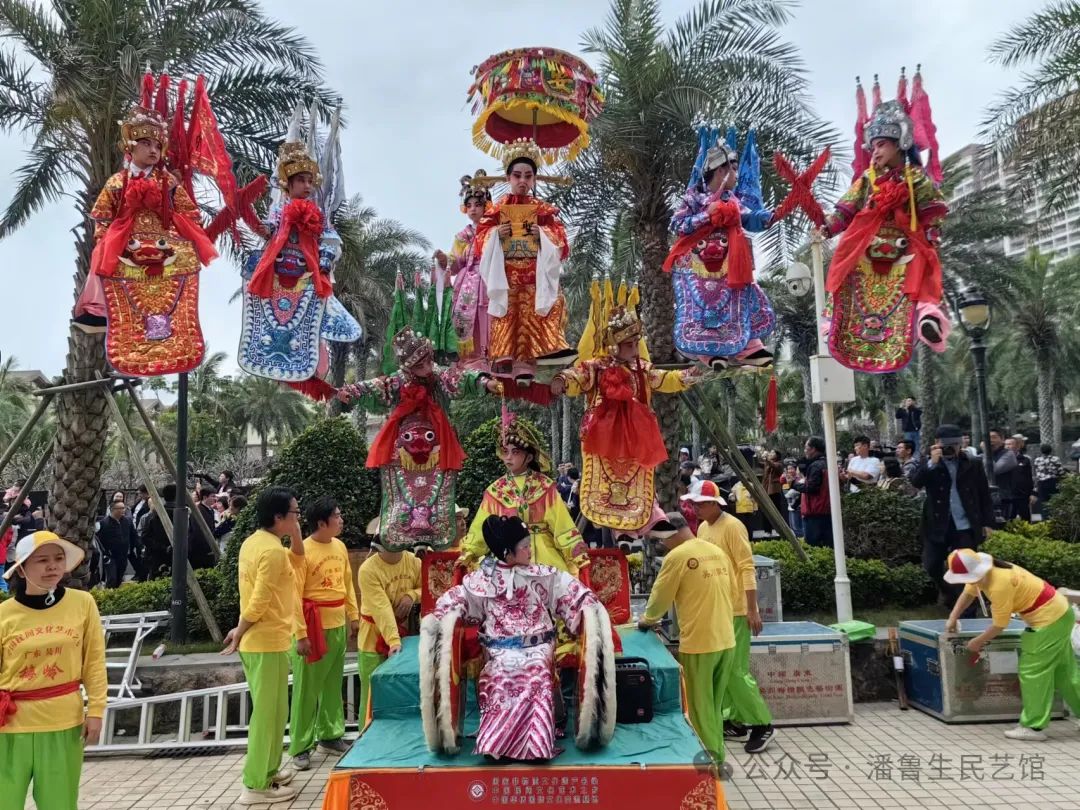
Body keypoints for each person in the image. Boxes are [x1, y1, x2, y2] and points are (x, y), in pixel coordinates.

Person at [424, 516, 612, 760]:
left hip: (538, 644)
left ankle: (536, 745)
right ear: (507, 553)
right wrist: (444, 614)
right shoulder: (484, 579)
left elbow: (571, 593)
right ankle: (497, 743)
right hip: (499, 649)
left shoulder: (543, 575)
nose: (529, 549)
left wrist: (587, 607)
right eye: (524, 546)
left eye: (528, 543)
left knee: (534, 670)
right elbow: (459, 599)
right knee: (501, 672)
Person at [74, 90, 218, 374]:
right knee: (103, 257)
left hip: (164, 247)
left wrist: (179, 233)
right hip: (127, 245)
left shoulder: (168, 182)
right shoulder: (118, 182)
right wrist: (107, 240)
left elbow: (190, 214)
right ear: (131, 146)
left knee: (184, 263)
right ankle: (108, 321)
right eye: (145, 143)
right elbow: (102, 217)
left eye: (157, 145)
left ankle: (176, 336)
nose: (153, 150)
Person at [822, 80, 948, 373]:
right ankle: (832, 325)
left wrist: (931, 235)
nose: (875, 152)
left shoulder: (916, 179)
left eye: (881, 145)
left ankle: (929, 320)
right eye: (873, 146)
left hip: (905, 251)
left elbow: (936, 210)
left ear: (900, 145)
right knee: (843, 271)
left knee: (922, 271)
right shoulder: (867, 179)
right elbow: (845, 209)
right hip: (867, 250)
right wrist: (826, 226)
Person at [337, 327, 498, 551]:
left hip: (436, 446)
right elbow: (374, 386)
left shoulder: (439, 376)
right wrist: (352, 392)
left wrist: (485, 383)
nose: (426, 368)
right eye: (419, 365)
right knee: (404, 491)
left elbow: (459, 379)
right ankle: (401, 532)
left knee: (435, 488)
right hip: (404, 449)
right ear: (408, 366)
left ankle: (431, 535)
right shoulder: (397, 381)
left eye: (428, 362)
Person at [551, 305, 703, 533]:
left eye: (635, 344)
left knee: (640, 476)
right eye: (629, 345)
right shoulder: (596, 367)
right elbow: (577, 376)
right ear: (614, 345)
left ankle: (650, 520)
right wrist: (563, 380)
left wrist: (688, 376)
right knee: (603, 480)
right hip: (601, 437)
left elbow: (664, 379)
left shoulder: (641, 369)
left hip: (636, 436)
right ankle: (613, 525)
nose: (634, 350)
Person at [239, 106, 360, 386]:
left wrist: (326, 260)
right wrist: (248, 214)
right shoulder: (279, 212)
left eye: (309, 181)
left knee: (317, 314)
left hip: (307, 276)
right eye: (301, 181)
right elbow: (268, 232)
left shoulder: (317, 215)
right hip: (278, 274)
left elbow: (330, 239)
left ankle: (314, 358)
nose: (307, 186)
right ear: (288, 184)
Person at [0, 531, 107, 810]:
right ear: (21, 568)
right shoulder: (4, 614)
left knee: (59, 803)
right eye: (42, 560)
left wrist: (96, 709)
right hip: (9, 724)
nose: (52, 567)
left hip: (63, 721)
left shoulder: (82, 604)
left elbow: (93, 661)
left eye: (58, 559)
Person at [665, 127, 778, 369]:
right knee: (703, 302)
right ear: (721, 171)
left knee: (743, 296)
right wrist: (708, 215)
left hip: (731, 263)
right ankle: (707, 352)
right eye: (734, 169)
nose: (737, 175)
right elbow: (677, 224)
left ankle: (748, 346)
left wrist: (768, 217)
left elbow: (749, 217)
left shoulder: (733, 200)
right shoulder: (693, 197)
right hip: (698, 264)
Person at [943, 549, 1080, 741]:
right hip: (1061, 615)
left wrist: (977, 642)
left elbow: (999, 624)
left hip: (1047, 623)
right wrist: (952, 617)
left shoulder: (1000, 585)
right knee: (1064, 672)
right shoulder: (987, 571)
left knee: (1033, 673)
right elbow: (968, 592)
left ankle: (1034, 727)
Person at [681, 479, 774, 753]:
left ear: (713, 503)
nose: (695, 509)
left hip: (736, 609)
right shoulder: (704, 527)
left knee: (735, 669)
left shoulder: (733, 527)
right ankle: (733, 719)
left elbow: (747, 567)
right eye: (693, 504)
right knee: (723, 669)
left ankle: (763, 723)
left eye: (699, 504)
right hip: (717, 609)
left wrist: (752, 608)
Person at [221, 487, 301, 805]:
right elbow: (259, 601)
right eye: (294, 513)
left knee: (275, 712)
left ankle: (269, 770)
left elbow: (297, 559)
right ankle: (254, 785)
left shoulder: (255, 543)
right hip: (264, 641)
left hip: (267, 641)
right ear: (278, 517)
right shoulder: (271, 551)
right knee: (267, 717)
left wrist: (242, 631)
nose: (298, 517)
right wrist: (239, 631)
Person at [638, 512, 735, 764]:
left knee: (700, 707)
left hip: (700, 643)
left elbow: (660, 596)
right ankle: (718, 754)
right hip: (726, 638)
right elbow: (733, 591)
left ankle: (710, 763)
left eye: (662, 540)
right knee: (714, 705)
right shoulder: (716, 552)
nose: (662, 545)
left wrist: (647, 620)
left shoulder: (677, 556)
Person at [474, 139, 575, 379]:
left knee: (547, 304)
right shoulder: (496, 211)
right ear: (508, 178)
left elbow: (561, 241)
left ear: (534, 180)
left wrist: (541, 234)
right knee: (509, 311)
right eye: (517, 175)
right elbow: (479, 241)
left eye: (528, 176)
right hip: (506, 275)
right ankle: (506, 358)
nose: (522, 181)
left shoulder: (544, 210)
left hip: (534, 275)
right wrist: (495, 235)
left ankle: (547, 352)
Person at [287, 497, 359, 770]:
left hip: (337, 622)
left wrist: (353, 616)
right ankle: (300, 746)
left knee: (332, 683)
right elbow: (294, 595)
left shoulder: (339, 546)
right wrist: (301, 633)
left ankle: (330, 735)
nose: (341, 520)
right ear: (321, 522)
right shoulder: (302, 551)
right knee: (307, 688)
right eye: (337, 516)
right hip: (312, 626)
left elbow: (347, 584)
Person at [911, 424, 995, 607]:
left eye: (955, 444)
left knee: (966, 568)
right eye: (946, 445)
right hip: (938, 522)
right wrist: (932, 463)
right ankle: (947, 591)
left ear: (961, 444)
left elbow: (984, 494)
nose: (951, 449)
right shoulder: (929, 462)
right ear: (936, 444)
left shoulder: (972, 463)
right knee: (931, 564)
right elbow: (915, 482)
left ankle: (967, 608)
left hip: (964, 524)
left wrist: (987, 522)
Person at [356, 520, 421, 725]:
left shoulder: (413, 561)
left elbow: (427, 587)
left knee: (400, 694)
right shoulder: (368, 570)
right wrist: (394, 641)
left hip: (405, 636)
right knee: (372, 696)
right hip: (373, 638)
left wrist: (412, 595)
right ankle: (364, 742)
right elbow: (381, 609)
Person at [435, 172, 492, 367]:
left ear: (487, 206)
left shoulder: (495, 230)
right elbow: (455, 262)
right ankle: (469, 358)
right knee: (467, 318)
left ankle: (489, 353)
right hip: (467, 281)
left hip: (489, 279)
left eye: (478, 205)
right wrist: (444, 261)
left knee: (488, 314)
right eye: (469, 206)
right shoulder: (462, 235)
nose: (473, 209)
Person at [792, 437, 832, 547]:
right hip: (827, 511)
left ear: (813, 449)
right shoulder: (828, 463)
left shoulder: (815, 466)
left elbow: (811, 488)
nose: (804, 450)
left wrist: (794, 484)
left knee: (813, 547)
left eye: (806, 448)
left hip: (815, 512)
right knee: (828, 547)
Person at [97, 499, 136, 588]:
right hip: (110, 556)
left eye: (124, 508)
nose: (123, 510)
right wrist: (105, 553)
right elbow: (100, 540)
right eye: (120, 508)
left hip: (123, 555)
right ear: (113, 509)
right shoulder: (104, 523)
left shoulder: (127, 521)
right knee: (112, 578)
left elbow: (133, 535)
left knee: (119, 577)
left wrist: (137, 547)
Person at [989, 430, 1018, 520]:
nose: (991, 440)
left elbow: (994, 470)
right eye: (988, 437)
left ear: (1002, 440)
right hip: (987, 497)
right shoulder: (983, 454)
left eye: (994, 437)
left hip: (1003, 498)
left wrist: (986, 452)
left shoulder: (1008, 454)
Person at [1034, 443, 1065, 517]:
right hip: (1053, 482)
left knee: (1044, 503)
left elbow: (1036, 472)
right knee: (1055, 501)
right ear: (1050, 450)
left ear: (1041, 451)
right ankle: (1055, 517)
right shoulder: (1055, 459)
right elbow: (1061, 472)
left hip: (1041, 484)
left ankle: (1045, 519)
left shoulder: (1037, 460)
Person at [1009, 435, 1035, 522]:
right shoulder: (1000, 460)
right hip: (1008, 496)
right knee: (1009, 519)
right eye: (1006, 444)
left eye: (1010, 444)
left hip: (1022, 495)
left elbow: (1030, 477)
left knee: (1025, 519)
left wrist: (1033, 493)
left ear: (1017, 446)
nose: (1008, 446)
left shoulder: (1025, 460)